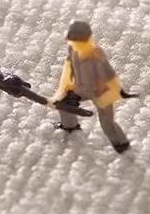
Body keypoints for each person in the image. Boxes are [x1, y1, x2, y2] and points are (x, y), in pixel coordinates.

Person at [48, 20, 131, 153]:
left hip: (101, 92)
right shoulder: (72, 49)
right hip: (81, 88)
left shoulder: (96, 55)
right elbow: (69, 68)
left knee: (106, 122)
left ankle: (121, 143)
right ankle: (70, 125)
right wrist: (65, 88)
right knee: (64, 103)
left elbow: (107, 76)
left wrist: (114, 91)